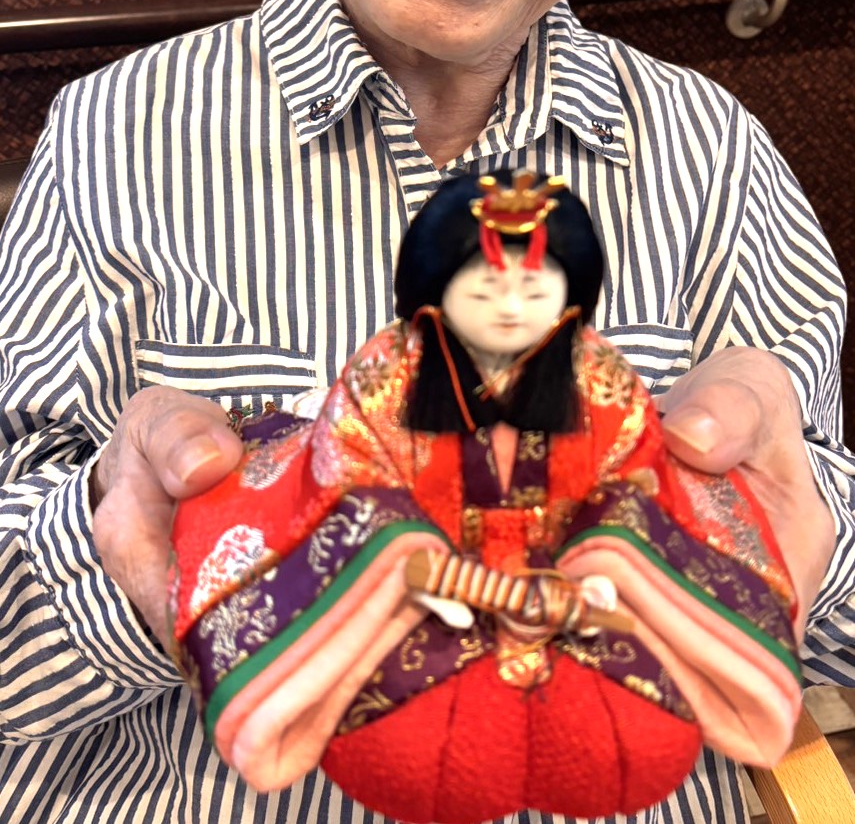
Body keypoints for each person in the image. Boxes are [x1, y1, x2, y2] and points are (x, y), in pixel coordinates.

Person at [0, 0, 850, 821]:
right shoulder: (112, 140)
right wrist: (123, 556)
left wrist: (791, 547)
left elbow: (832, 621)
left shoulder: (720, 166)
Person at [168, 173, 801, 822]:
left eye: (535, 288)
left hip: (569, 582)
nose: (510, 308)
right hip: (426, 585)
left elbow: (630, 475)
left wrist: (603, 564)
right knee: (407, 748)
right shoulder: (388, 375)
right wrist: (416, 566)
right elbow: (352, 476)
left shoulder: (597, 374)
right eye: (484, 287)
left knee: (632, 737)